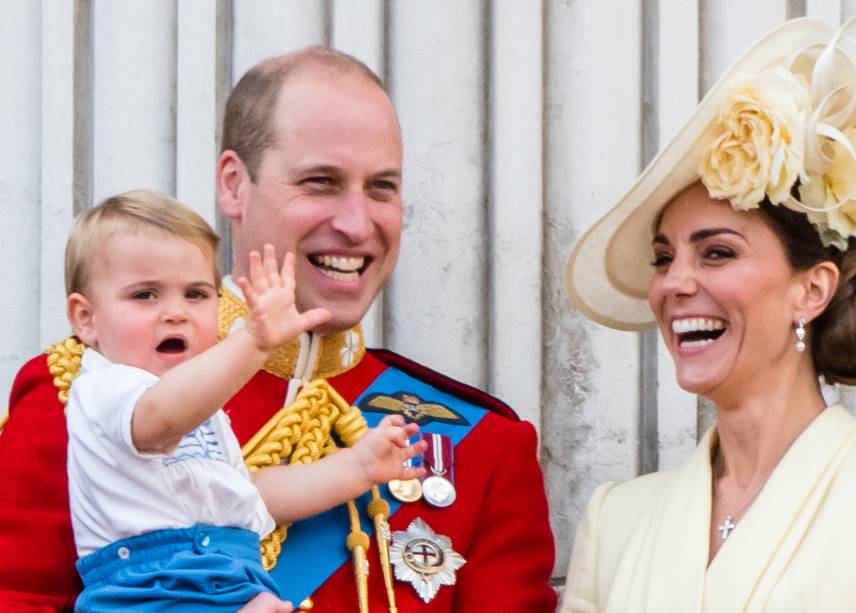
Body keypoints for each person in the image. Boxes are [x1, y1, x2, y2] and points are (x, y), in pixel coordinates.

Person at [0, 47, 556, 611]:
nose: (357, 223)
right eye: (320, 182)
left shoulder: (484, 446)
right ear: (234, 184)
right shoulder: (81, 391)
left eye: (382, 187)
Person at [561, 17, 856, 613]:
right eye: (663, 258)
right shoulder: (615, 519)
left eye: (718, 252)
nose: (674, 284)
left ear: (812, 290)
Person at [63, 191, 425, 611]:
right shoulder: (106, 387)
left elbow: (252, 494)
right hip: (151, 587)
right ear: (86, 319)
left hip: (228, 576)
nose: (176, 312)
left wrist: (356, 468)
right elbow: (159, 418)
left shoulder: (205, 409)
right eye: (145, 295)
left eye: (196, 294)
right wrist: (253, 342)